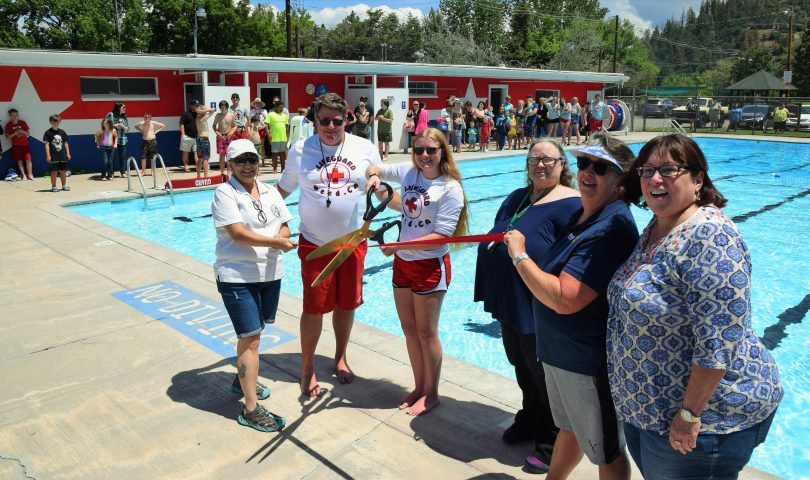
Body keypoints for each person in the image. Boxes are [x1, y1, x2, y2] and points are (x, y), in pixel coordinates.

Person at [609, 134, 783, 479]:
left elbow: (717, 344)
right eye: (646, 170)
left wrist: (689, 416)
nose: (655, 179)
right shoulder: (660, 225)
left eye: (669, 170)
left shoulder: (711, 238)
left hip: (704, 423)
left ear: (698, 179)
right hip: (650, 411)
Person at [503, 134, 639, 480]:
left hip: (586, 362)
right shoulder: (583, 215)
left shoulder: (611, 226)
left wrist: (520, 255)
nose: (588, 173)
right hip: (560, 356)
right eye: (584, 164)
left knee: (607, 451)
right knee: (570, 428)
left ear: (621, 181)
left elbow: (565, 298)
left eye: (602, 168)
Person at [474, 139, 582, 474]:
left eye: (549, 160)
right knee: (522, 367)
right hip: (511, 303)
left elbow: (571, 260)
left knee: (546, 376)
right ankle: (530, 417)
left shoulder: (572, 205)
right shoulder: (517, 197)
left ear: (562, 165)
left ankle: (551, 441)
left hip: (540, 307)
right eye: (535, 158)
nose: (541, 165)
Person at [276, 92, 382, 398]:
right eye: (324, 120)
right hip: (315, 244)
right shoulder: (301, 150)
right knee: (313, 308)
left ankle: (340, 357)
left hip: (352, 243)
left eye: (338, 120)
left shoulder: (364, 147)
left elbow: (376, 174)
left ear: (347, 119)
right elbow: (282, 189)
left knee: (347, 304)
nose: (331, 126)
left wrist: (375, 180)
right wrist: (256, 212)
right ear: (315, 120)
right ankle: (307, 367)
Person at [366, 127, 469, 416]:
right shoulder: (410, 172)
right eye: (419, 150)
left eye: (431, 150)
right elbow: (375, 167)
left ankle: (432, 393)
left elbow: (441, 236)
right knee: (409, 330)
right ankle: (419, 386)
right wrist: (375, 178)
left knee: (426, 333)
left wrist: (399, 245)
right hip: (403, 264)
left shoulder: (450, 188)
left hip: (429, 265)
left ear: (442, 152)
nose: (424, 156)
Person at [211, 138, 295, 432]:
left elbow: (285, 224)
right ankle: (250, 410)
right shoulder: (225, 193)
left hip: (270, 274)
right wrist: (276, 241)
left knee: (255, 333)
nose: (248, 165)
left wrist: (281, 236)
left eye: (253, 159)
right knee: (251, 338)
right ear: (230, 165)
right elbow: (237, 234)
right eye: (241, 161)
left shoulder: (271, 190)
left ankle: (241, 379)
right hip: (238, 276)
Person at [43, 114, 71, 192]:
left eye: (57, 121)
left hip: (62, 155)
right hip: (54, 156)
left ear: (59, 122)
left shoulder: (62, 132)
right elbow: (47, 145)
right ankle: (54, 186)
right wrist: (48, 155)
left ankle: (64, 185)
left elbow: (66, 143)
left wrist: (68, 153)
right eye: (54, 122)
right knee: (54, 171)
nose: (56, 123)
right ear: (50, 122)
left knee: (63, 171)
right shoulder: (48, 133)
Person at [5, 109, 34, 181]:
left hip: (25, 145)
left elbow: (28, 134)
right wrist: (15, 133)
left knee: (28, 159)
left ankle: (30, 174)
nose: (15, 117)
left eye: (16, 115)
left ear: (18, 115)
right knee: (19, 160)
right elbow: (7, 137)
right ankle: (23, 175)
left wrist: (22, 131)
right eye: (13, 115)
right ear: (10, 116)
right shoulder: (8, 125)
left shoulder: (23, 123)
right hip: (16, 146)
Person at [105, 102, 130, 178]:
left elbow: (127, 129)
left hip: (122, 139)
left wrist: (124, 127)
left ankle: (123, 172)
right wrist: (117, 125)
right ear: (119, 108)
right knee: (111, 157)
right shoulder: (111, 114)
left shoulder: (124, 117)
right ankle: (111, 173)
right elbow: (106, 124)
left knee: (122, 157)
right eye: (123, 107)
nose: (125, 109)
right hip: (112, 139)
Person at [213, 100, 236, 176]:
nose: (222, 109)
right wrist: (217, 133)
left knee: (229, 155)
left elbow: (235, 126)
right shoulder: (218, 115)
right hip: (220, 136)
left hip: (229, 136)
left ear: (227, 107)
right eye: (221, 107)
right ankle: (222, 172)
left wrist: (232, 132)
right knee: (221, 156)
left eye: (224, 107)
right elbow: (214, 125)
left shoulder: (231, 115)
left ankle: (229, 172)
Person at [266, 100, 290, 173]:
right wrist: (268, 134)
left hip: (283, 138)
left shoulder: (285, 116)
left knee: (283, 154)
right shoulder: (270, 114)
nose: (282, 109)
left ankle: (283, 168)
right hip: (274, 138)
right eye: (280, 107)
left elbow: (287, 127)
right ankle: (275, 168)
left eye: (282, 107)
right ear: (276, 107)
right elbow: (266, 125)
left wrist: (288, 136)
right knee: (274, 154)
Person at [195, 104, 215, 178]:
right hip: (204, 139)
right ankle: (206, 176)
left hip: (198, 138)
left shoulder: (197, 118)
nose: (207, 111)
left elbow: (198, 111)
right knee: (206, 158)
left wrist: (201, 110)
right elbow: (213, 110)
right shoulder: (204, 118)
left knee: (200, 158)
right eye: (205, 110)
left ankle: (198, 176)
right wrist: (205, 110)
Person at [179, 100, 199, 173]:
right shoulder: (186, 113)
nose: (196, 106)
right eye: (195, 105)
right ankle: (186, 165)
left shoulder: (199, 113)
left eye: (197, 105)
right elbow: (181, 124)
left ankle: (198, 166)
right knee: (185, 152)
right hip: (187, 136)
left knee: (196, 152)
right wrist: (183, 134)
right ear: (191, 105)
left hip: (197, 136)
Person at [249, 98, 268, 163]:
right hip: (254, 129)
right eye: (256, 103)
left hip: (262, 129)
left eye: (259, 103)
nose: (257, 104)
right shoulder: (251, 111)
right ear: (254, 104)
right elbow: (249, 120)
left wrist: (264, 116)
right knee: (254, 145)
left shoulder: (264, 111)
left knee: (262, 145)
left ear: (261, 104)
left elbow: (267, 120)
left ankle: (262, 162)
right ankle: (254, 161)